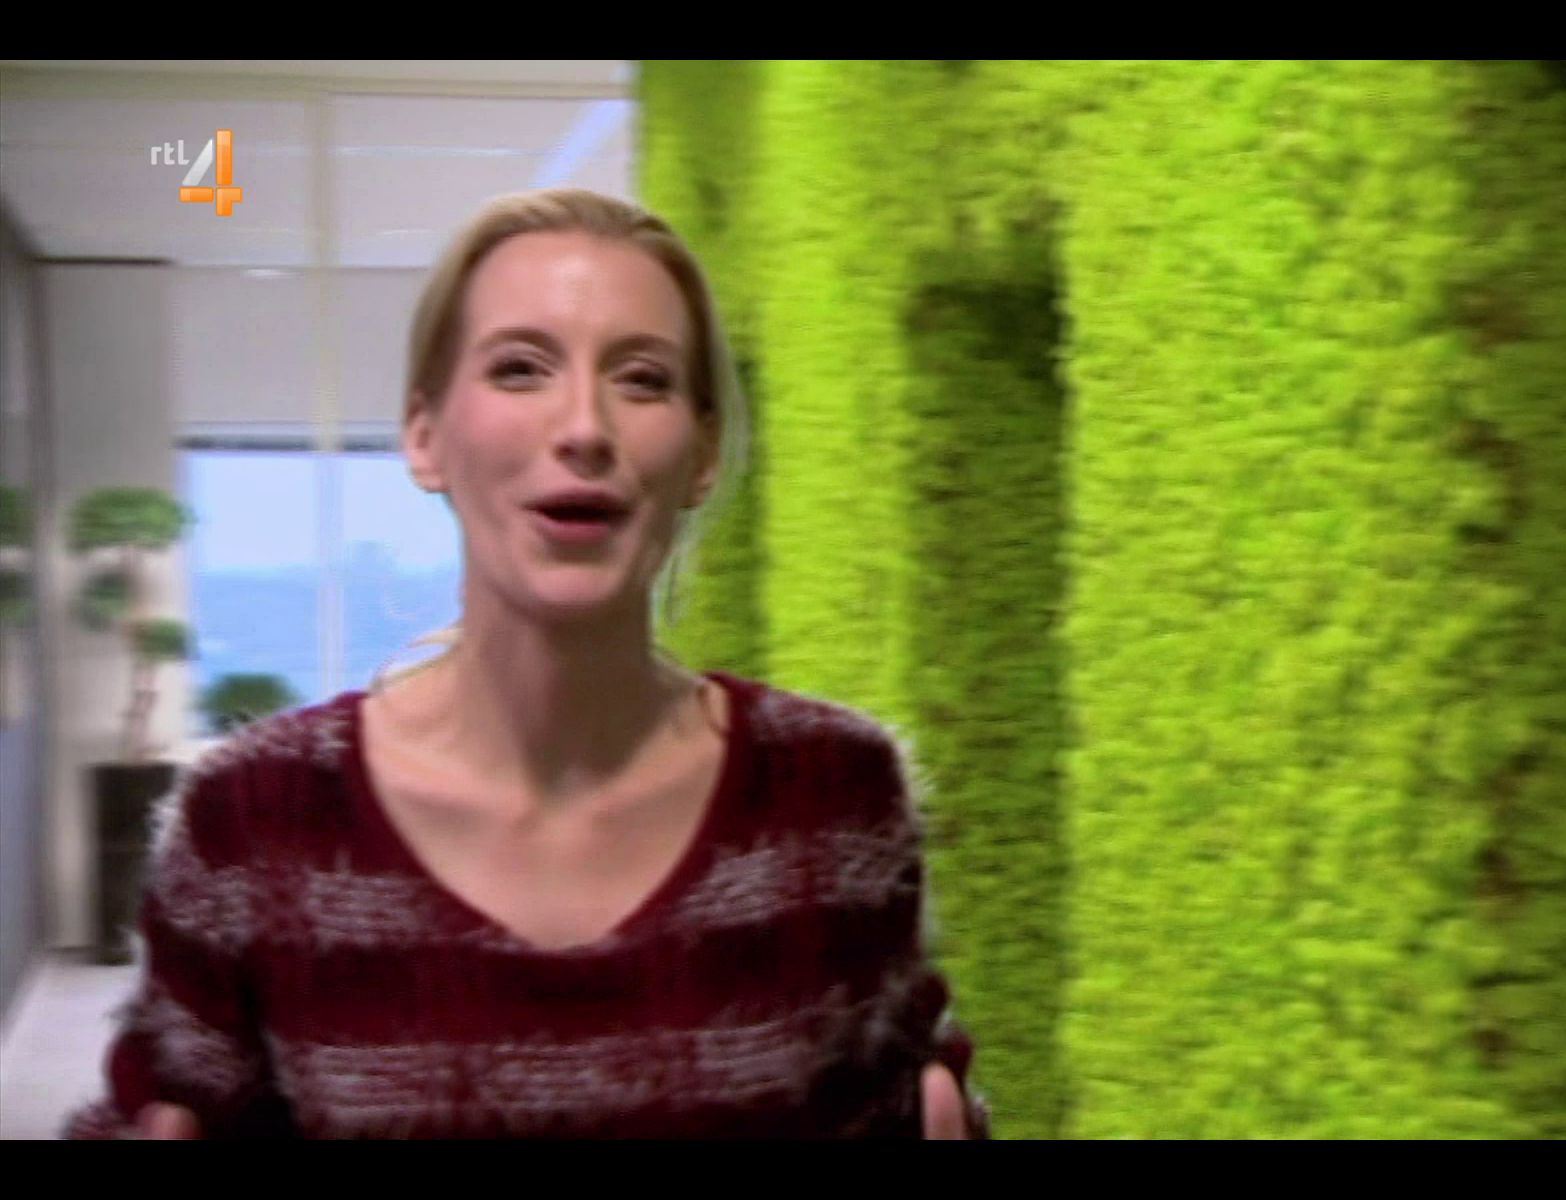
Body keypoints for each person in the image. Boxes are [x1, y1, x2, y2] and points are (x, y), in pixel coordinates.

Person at [63, 188, 989, 1139]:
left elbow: (916, 1104)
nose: (584, 427)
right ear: (424, 435)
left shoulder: (830, 796)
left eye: (643, 380)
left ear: (704, 450)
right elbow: (152, 1108)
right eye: (519, 369)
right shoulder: (255, 821)